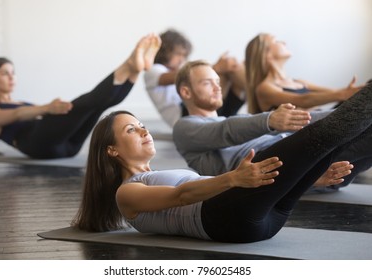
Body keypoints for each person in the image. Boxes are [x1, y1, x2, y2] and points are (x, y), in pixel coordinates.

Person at [72, 82, 372, 243]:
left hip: (261, 220)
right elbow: (182, 196)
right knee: (321, 136)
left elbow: (197, 190)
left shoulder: (152, 177)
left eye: (141, 124)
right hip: (225, 219)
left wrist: (314, 177)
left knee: (327, 151)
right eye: (130, 130)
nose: (143, 130)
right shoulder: (126, 193)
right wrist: (233, 179)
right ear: (111, 150)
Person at [173, 60, 372, 191]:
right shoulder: (184, 129)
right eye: (208, 83)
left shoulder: (236, 121)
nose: (218, 87)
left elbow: (307, 119)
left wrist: (346, 112)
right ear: (186, 92)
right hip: (301, 164)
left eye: (218, 81)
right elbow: (224, 131)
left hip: (310, 166)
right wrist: (269, 121)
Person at [0, 33, 161, 159]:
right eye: (5, 73)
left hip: (68, 147)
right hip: (39, 146)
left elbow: (30, 113)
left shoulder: (22, 103)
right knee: (86, 102)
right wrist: (47, 108)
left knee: (97, 105)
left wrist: (48, 110)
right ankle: (129, 64)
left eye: (13, 73)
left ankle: (134, 71)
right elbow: (16, 114)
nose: (11, 77)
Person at [144, 29, 246, 127]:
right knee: (224, 71)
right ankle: (255, 93)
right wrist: (217, 67)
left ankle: (254, 92)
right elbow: (182, 77)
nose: (181, 59)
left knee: (232, 70)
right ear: (165, 52)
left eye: (184, 56)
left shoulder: (176, 69)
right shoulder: (153, 70)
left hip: (204, 109)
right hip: (186, 114)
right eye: (178, 54)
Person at [245, 33, 364, 114]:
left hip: (325, 120)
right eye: (276, 41)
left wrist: (351, 92)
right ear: (266, 55)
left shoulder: (299, 82)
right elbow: (302, 100)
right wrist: (343, 94)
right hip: (310, 135)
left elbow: (335, 93)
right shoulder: (265, 88)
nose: (284, 42)